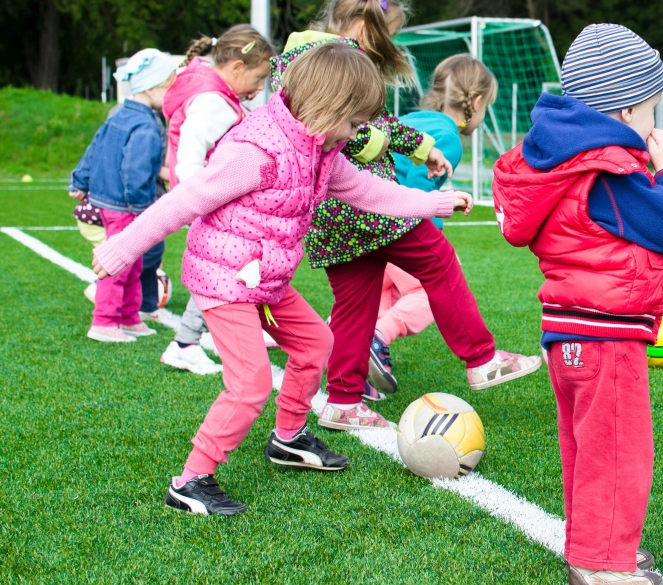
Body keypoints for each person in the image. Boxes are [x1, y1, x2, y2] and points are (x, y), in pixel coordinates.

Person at [91, 43, 473, 516]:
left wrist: (434, 203)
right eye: (354, 124)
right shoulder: (255, 151)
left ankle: (288, 438)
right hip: (224, 280)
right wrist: (121, 249)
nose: (358, 134)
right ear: (327, 108)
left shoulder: (321, 148)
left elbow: (366, 191)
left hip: (265, 280)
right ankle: (190, 481)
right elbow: (184, 201)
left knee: (317, 344)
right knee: (250, 383)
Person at [272, 0, 540, 431]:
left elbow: (372, 122)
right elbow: (346, 129)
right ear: (362, 25)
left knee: (355, 304)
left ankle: (342, 401)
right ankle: (482, 358)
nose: (385, 46)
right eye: (386, 35)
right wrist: (406, 148)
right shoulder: (335, 59)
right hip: (365, 204)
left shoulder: (295, 57)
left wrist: (422, 147)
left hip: (328, 212)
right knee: (438, 260)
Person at [493, 24, 663, 585]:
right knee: (617, 453)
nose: (656, 124)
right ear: (627, 111)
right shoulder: (608, 169)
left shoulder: (566, 162)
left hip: (571, 331)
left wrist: (655, 276)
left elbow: (598, 242)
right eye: (654, 109)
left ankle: (595, 547)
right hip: (605, 337)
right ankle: (602, 566)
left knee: (588, 448)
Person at [365, 54, 501, 396]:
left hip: (362, 220)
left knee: (379, 293)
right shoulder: (448, 138)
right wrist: (431, 239)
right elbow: (416, 187)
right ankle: (377, 338)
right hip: (392, 224)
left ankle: (349, 352)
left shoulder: (413, 119)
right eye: (488, 107)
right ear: (476, 101)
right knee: (428, 289)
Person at [157, 24, 277, 375]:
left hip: (211, 201)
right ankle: (185, 342)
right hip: (212, 204)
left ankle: (195, 338)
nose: (258, 90)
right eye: (258, 79)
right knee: (223, 271)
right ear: (237, 68)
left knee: (227, 269)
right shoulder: (214, 103)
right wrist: (201, 197)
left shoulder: (214, 93)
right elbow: (191, 155)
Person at [69, 49, 177, 343]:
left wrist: (79, 178)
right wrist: (143, 208)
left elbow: (94, 146)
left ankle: (129, 317)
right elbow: (136, 169)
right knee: (119, 263)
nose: (172, 94)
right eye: (170, 86)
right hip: (126, 206)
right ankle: (104, 321)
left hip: (112, 201)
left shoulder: (120, 113)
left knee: (135, 262)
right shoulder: (146, 125)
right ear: (154, 88)